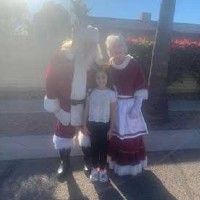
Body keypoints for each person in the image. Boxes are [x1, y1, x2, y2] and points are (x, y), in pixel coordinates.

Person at [44, 25, 103, 179]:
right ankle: (65, 163)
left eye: (91, 43)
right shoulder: (60, 57)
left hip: (87, 105)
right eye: (84, 41)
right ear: (76, 40)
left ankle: (88, 161)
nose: (87, 45)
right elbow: (50, 79)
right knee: (63, 134)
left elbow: (103, 82)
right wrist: (52, 100)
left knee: (87, 133)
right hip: (65, 104)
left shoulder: (96, 62)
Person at [105, 34, 149, 176]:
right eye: (113, 47)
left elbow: (141, 85)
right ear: (109, 50)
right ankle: (116, 163)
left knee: (131, 137)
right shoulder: (108, 66)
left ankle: (132, 166)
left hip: (130, 106)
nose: (117, 49)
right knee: (115, 135)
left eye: (119, 46)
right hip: (114, 106)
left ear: (124, 47)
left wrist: (137, 107)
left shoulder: (133, 64)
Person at [83, 67, 116, 182]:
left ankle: (102, 170)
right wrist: (84, 125)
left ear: (107, 78)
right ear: (95, 79)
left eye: (103, 77)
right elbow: (86, 109)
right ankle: (94, 169)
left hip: (105, 126)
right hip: (92, 124)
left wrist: (111, 128)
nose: (100, 80)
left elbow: (113, 112)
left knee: (103, 148)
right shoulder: (91, 92)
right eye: (98, 78)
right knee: (94, 148)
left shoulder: (111, 93)